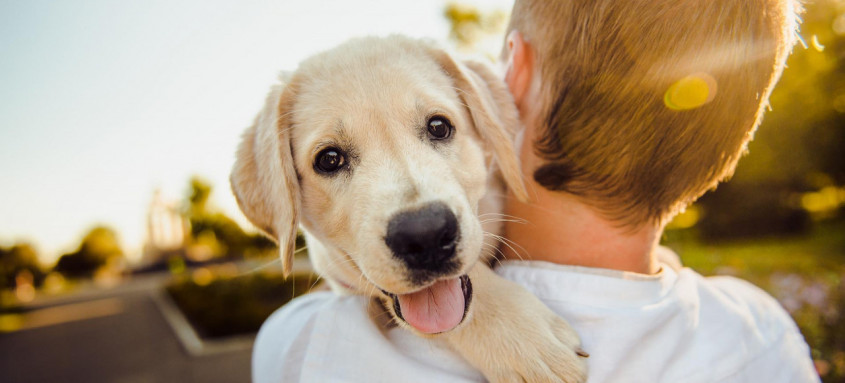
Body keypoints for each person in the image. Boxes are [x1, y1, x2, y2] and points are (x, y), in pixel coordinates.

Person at [252, 0, 821, 382]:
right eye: (332, 159)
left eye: (438, 128)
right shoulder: (762, 334)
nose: (419, 217)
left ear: (510, 79)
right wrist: (480, 308)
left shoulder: (302, 347)